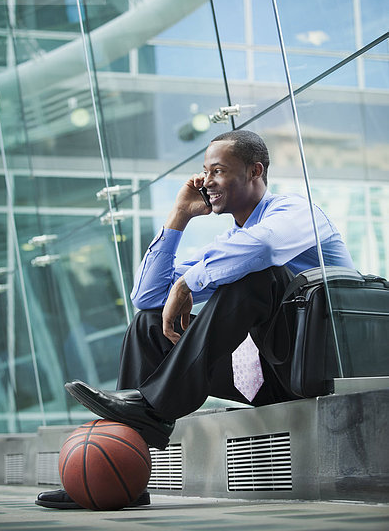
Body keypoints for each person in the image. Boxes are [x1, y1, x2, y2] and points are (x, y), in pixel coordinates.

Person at [36, 129, 354, 509]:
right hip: (261, 374)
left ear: (255, 171)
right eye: (204, 171)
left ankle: (151, 408)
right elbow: (148, 297)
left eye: (218, 170)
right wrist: (179, 216)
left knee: (257, 271)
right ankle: (118, 477)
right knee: (148, 323)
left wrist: (188, 283)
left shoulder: (297, 212)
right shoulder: (231, 240)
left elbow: (263, 249)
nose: (206, 181)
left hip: (317, 366)